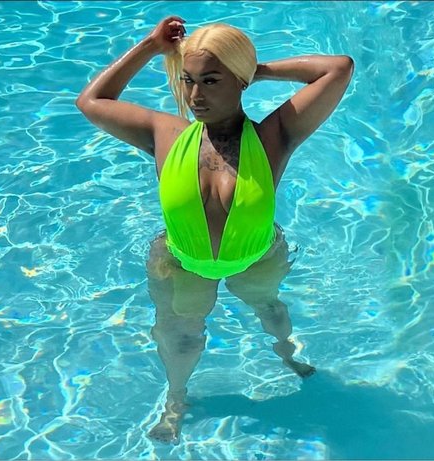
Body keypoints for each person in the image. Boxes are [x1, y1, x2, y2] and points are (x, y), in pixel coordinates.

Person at [76, 16, 354, 444]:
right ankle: (176, 398)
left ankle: (287, 354)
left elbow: (338, 68)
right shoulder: (165, 134)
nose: (194, 96)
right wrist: (151, 46)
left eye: (210, 80)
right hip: (181, 262)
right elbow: (91, 101)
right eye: (188, 80)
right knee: (181, 338)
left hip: (257, 255)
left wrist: (257, 71)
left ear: (239, 80)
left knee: (271, 312)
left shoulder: (274, 136)